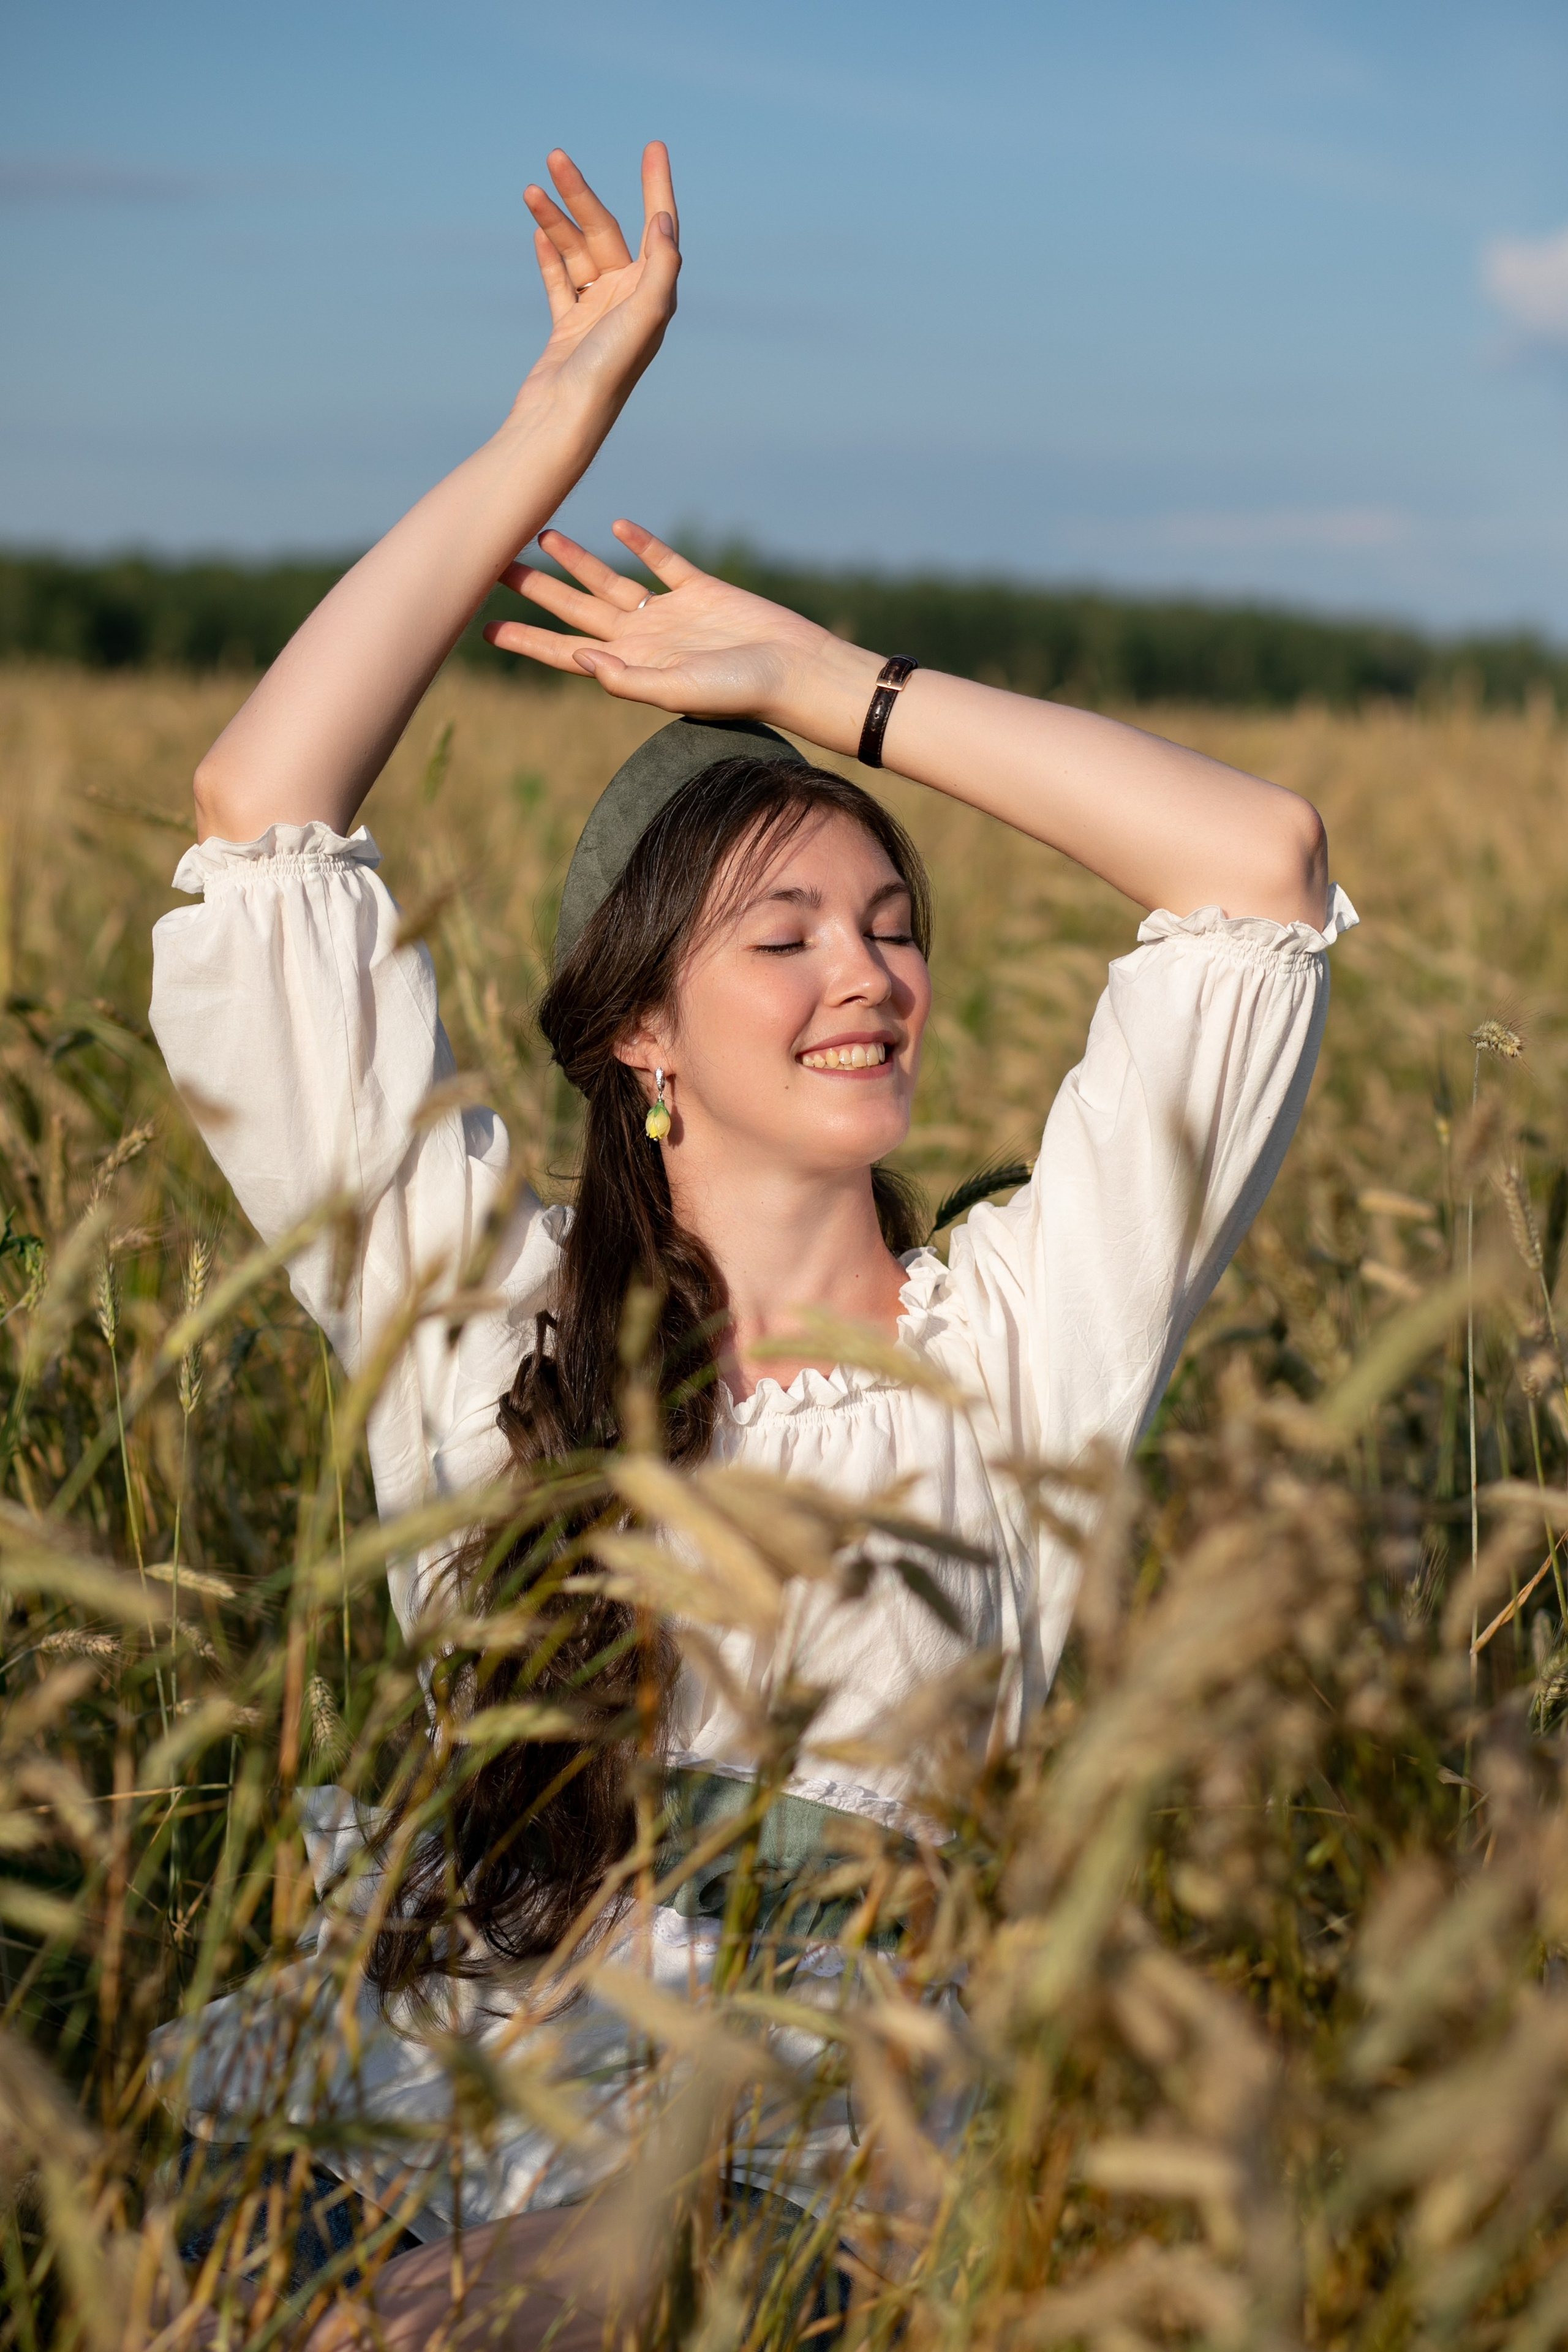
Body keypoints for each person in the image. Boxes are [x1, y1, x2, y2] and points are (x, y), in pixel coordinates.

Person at [148, 141, 1354, 2345]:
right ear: (639, 1029)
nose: (869, 975)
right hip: (476, 2085)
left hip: (847, 2131)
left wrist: (830, 688)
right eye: (781, 934)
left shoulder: (1016, 1342)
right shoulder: (488, 1323)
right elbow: (263, 817)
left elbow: (1254, 870)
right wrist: (549, 438)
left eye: (891, 926)